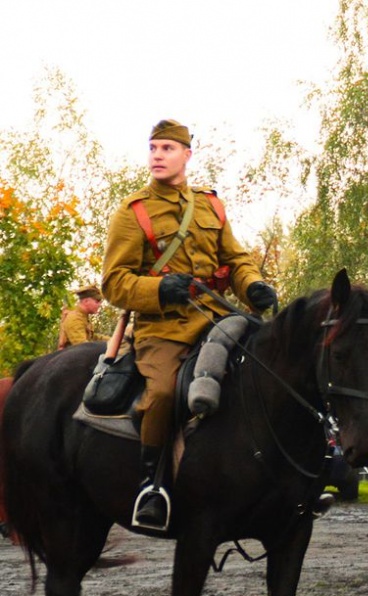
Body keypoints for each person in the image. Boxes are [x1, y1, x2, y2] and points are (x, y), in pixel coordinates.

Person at [102, 119, 278, 529]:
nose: (158, 155)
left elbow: (235, 260)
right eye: (153, 148)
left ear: (186, 155)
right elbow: (114, 282)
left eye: (167, 148)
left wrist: (254, 287)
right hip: (162, 329)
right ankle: (153, 485)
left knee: (270, 370)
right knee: (163, 393)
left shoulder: (210, 205)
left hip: (217, 319)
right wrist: (160, 291)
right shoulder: (134, 212)